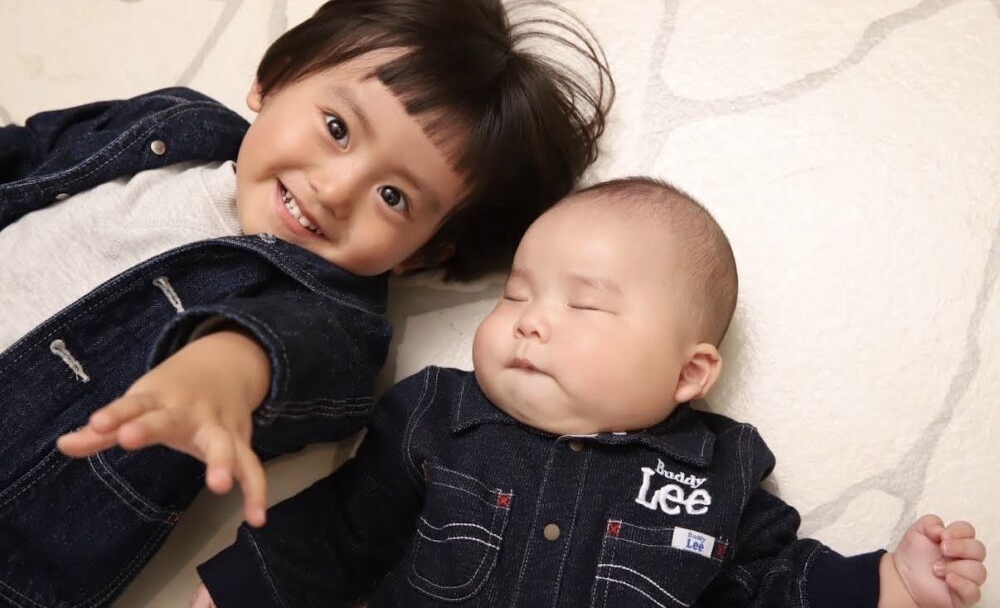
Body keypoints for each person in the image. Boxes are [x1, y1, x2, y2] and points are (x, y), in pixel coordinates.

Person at [0, 0, 613, 605]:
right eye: (338, 129)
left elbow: (295, 353)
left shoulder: (332, 311)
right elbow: (31, 152)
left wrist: (224, 373)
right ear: (273, 78)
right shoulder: (169, 123)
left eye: (394, 197)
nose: (337, 190)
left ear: (420, 254)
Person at [194, 178, 987, 607]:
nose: (530, 319)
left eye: (585, 304)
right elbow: (341, 532)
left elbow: (772, 585)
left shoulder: (716, 476)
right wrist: (239, 591)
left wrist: (890, 583)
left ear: (688, 373)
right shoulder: (440, 416)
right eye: (515, 293)